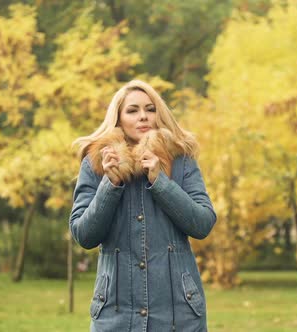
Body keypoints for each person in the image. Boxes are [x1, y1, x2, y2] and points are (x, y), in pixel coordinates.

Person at [70, 79, 216, 331]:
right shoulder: (95, 164)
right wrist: (111, 183)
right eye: (132, 110)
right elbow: (84, 235)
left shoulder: (181, 160)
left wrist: (160, 181)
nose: (143, 117)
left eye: (150, 109)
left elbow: (202, 224)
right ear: (118, 119)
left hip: (178, 315)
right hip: (114, 315)